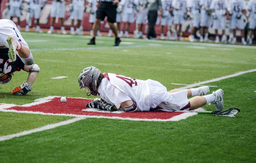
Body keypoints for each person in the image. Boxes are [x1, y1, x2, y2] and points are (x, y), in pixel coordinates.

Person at [78, 66, 224, 112]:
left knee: (184, 106)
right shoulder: (107, 77)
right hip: (149, 86)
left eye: (86, 85)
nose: (87, 89)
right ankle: (199, 90)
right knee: (169, 96)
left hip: (149, 97)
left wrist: (110, 107)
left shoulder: (107, 87)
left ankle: (214, 97)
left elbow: (130, 107)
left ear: (92, 82)